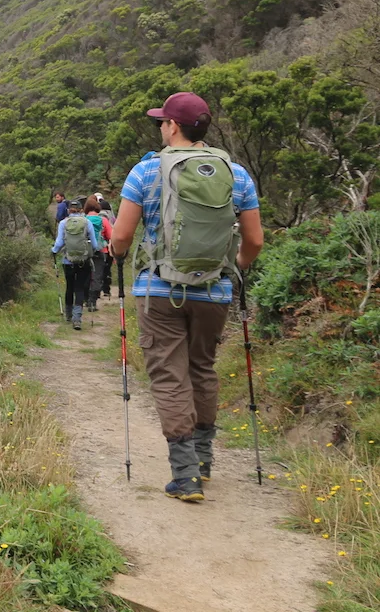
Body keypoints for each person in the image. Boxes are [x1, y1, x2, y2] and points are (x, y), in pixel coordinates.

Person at [110, 91, 264, 503]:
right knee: (203, 369)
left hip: (159, 290)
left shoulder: (145, 173)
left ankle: (185, 474)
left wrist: (117, 255)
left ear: (172, 126)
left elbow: (122, 235)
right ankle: (204, 459)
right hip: (215, 290)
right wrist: (234, 265)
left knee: (169, 373)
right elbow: (254, 241)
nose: (161, 127)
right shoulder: (237, 174)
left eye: (162, 121)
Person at [52, 198, 102, 330]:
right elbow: (95, 244)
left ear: (68, 210)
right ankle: (77, 319)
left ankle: (68, 315)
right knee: (79, 288)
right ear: (81, 210)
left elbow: (59, 243)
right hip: (83, 261)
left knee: (70, 287)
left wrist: (53, 251)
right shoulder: (87, 222)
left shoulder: (63, 223)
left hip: (67, 261)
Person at [83, 196, 111, 310]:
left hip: (85, 251)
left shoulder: (83, 219)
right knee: (97, 276)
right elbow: (111, 236)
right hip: (100, 251)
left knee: (86, 275)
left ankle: (86, 300)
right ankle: (93, 302)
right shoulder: (103, 220)